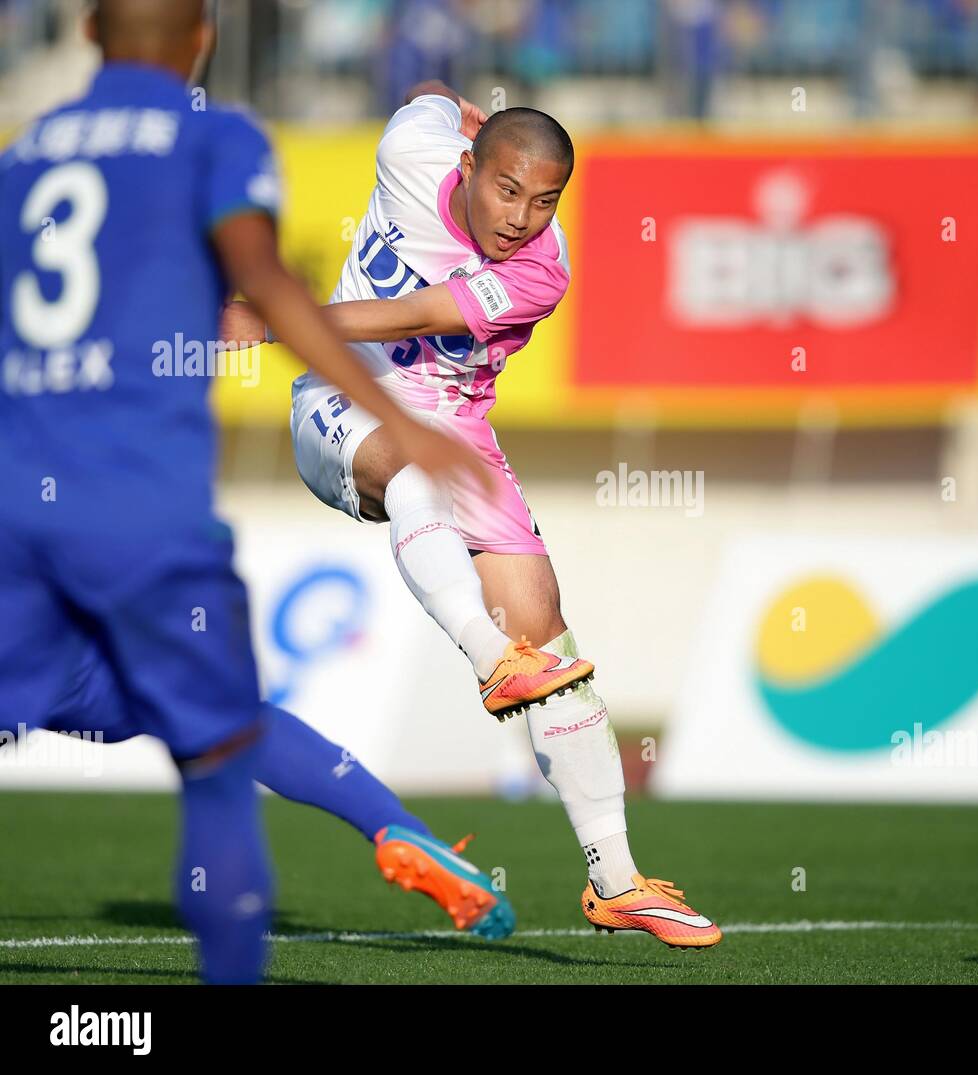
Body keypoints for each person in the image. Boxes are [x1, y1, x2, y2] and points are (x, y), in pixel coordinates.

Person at [0, 0, 507, 982]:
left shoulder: (24, 155)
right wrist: (396, 423)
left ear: (92, 37)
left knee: (129, 699)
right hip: (140, 507)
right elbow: (268, 285)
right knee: (222, 743)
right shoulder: (215, 135)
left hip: (17, 509)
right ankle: (380, 838)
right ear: (202, 42)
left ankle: (392, 822)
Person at [221, 80, 722, 949]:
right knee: (422, 485)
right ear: (468, 162)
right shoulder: (411, 145)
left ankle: (616, 879)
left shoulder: (540, 269)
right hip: (342, 407)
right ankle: (495, 660)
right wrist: (459, 105)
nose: (522, 216)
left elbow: (415, 311)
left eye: (545, 199)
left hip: (457, 434)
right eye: (507, 188)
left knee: (557, 653)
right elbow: (427, 96)